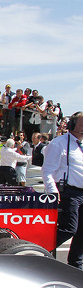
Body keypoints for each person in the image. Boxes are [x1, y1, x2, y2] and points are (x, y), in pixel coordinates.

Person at [42, 111, 83, 269]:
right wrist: (53, 193)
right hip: (70, 193)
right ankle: (40, 251)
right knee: (69, 228)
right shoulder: (59, 143)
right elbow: (47, 171)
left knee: (81, 233)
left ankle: (76, 267)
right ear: (72, 125)